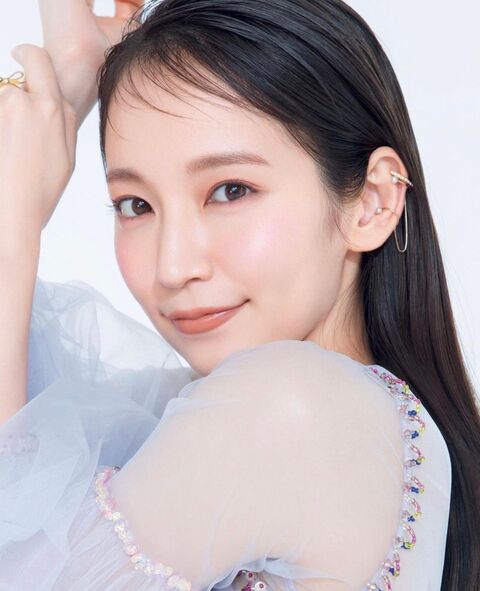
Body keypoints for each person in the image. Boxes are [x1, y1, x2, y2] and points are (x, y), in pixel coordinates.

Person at [0, 1, 479, 590]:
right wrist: (69, 83)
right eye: (136, 205)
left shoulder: (290, 407)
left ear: (373, 202)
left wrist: (11, 223)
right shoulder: (337, 420)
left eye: (231, 190)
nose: (174, 267)